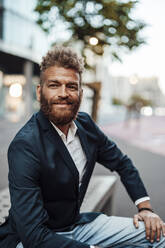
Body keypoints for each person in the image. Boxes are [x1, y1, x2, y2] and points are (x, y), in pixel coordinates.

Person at [0, 46, 164, 248]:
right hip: (32, 239)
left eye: (71, 86)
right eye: (54, 85)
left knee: (158, 235)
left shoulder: (86, 125)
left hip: (77, 227)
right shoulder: (25, 145)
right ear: (40, 91)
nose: (63, 93)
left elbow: (122, 163)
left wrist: (145, 208)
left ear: (80, 92)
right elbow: (33, 235)